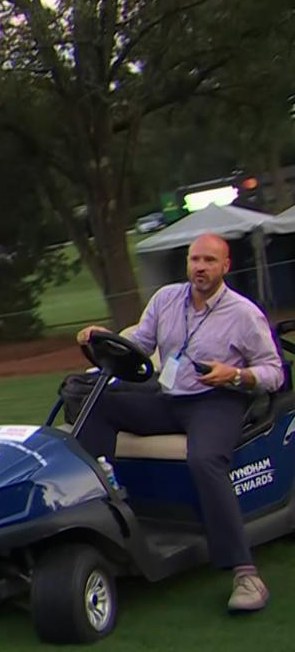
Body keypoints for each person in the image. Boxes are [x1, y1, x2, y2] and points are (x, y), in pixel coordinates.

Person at [76, 233, 283, 613]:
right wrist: (102, 336)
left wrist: (234, 375)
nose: (200, 267)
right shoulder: (166, 299)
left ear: (225, 266)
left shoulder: (243, 313)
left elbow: (273, 373)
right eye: (194, 260)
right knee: (95, 406)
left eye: (208, 261)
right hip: (170, 397)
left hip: (217, 400)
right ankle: (103, 505)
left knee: (204, 460)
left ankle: (245, 573)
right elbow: (139, 342)